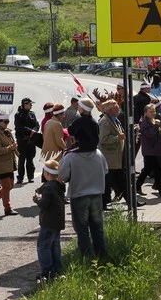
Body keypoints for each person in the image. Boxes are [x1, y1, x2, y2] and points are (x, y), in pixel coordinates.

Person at [59, 124, 108, 259]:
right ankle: (102, 256)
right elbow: (105, 170)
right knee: (98, 228)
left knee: (82, 230)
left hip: (79, 195)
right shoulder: (98, 153)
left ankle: (88, 258)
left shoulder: (71, 156)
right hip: (97, 195)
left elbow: (62, 176)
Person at [33, 159, 65, 283]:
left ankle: (47, 271)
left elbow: (44, 205)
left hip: (48, 222)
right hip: (57, 222)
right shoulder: (58, 185)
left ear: (46, 173)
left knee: (43, 246)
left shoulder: (48, 188)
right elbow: (46, 188)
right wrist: (40, 190)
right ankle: (57, 269)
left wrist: (37, 200)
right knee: (55, 246)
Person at [97, 100, 126, 204]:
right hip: (109, 157)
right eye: (116, 107)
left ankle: (131, 201)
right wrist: (117, 138)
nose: (118, 109)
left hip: (116, 157)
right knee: (108, 182)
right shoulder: (105, 121)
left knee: (121, 180)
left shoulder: (115, 120)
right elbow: (103, 139)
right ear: (110, 110)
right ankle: (103, 203)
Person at [137, 103, 161, 197]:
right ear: (145, 112)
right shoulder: (144, 122)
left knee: (147, 170)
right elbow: (149, 135)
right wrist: (157, 126)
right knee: (157, 170)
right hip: (149, 150)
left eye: (154, 111)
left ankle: (137, 186)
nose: (153, 113)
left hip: (155, 149)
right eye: (151, 111)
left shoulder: (153, 120)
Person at [14, 98, 40, 184]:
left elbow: (37, 125)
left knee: (30, 159)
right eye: (30, 104)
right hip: (22, 140)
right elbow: (19, 127)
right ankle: (20, 177)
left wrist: (35, 130)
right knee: (21, 159)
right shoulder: (18, 115)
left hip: (31, 140)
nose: (31, 105)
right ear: (25, 104)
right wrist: (30, 131)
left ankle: (30, 177)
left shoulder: (32, 114)